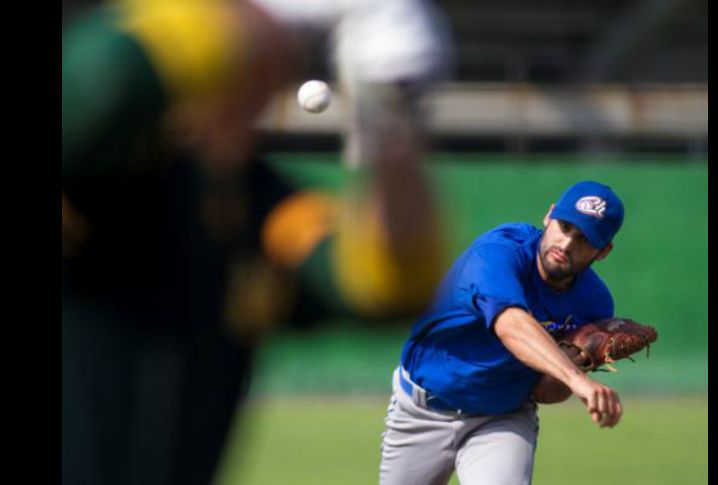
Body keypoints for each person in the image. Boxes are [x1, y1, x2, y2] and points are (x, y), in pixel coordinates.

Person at [62, 1, 450, 484]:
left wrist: (391, 124)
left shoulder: (262, 205)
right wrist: (255, 22)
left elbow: (389, 280)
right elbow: (95, 81)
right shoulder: (105, 174)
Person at [379, 180, 626, 485]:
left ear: (603, 251)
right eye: (565, 226)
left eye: (585, 239)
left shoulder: (595, 304)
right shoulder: (497, 253)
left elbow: (544, 392)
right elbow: (510, 324)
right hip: (422, 410)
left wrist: (577, 361)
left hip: (503, 418)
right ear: (549, 216)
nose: (567, 244)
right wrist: (579, 380)